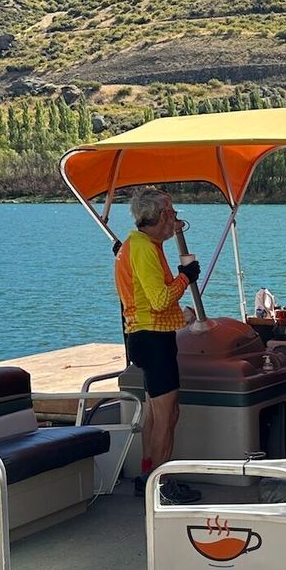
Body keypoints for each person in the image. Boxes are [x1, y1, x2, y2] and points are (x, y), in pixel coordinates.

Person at [115, 187, 202, 504]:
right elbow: (160, 299)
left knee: (155, 412)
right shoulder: (143, 248)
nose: (176, 219)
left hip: (146, 336)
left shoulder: (141, 244)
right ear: (162, 215)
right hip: (152, 338)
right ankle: (161, 486)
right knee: (167, 415)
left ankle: (148, 476)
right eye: (173, 213)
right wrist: (185, 277)